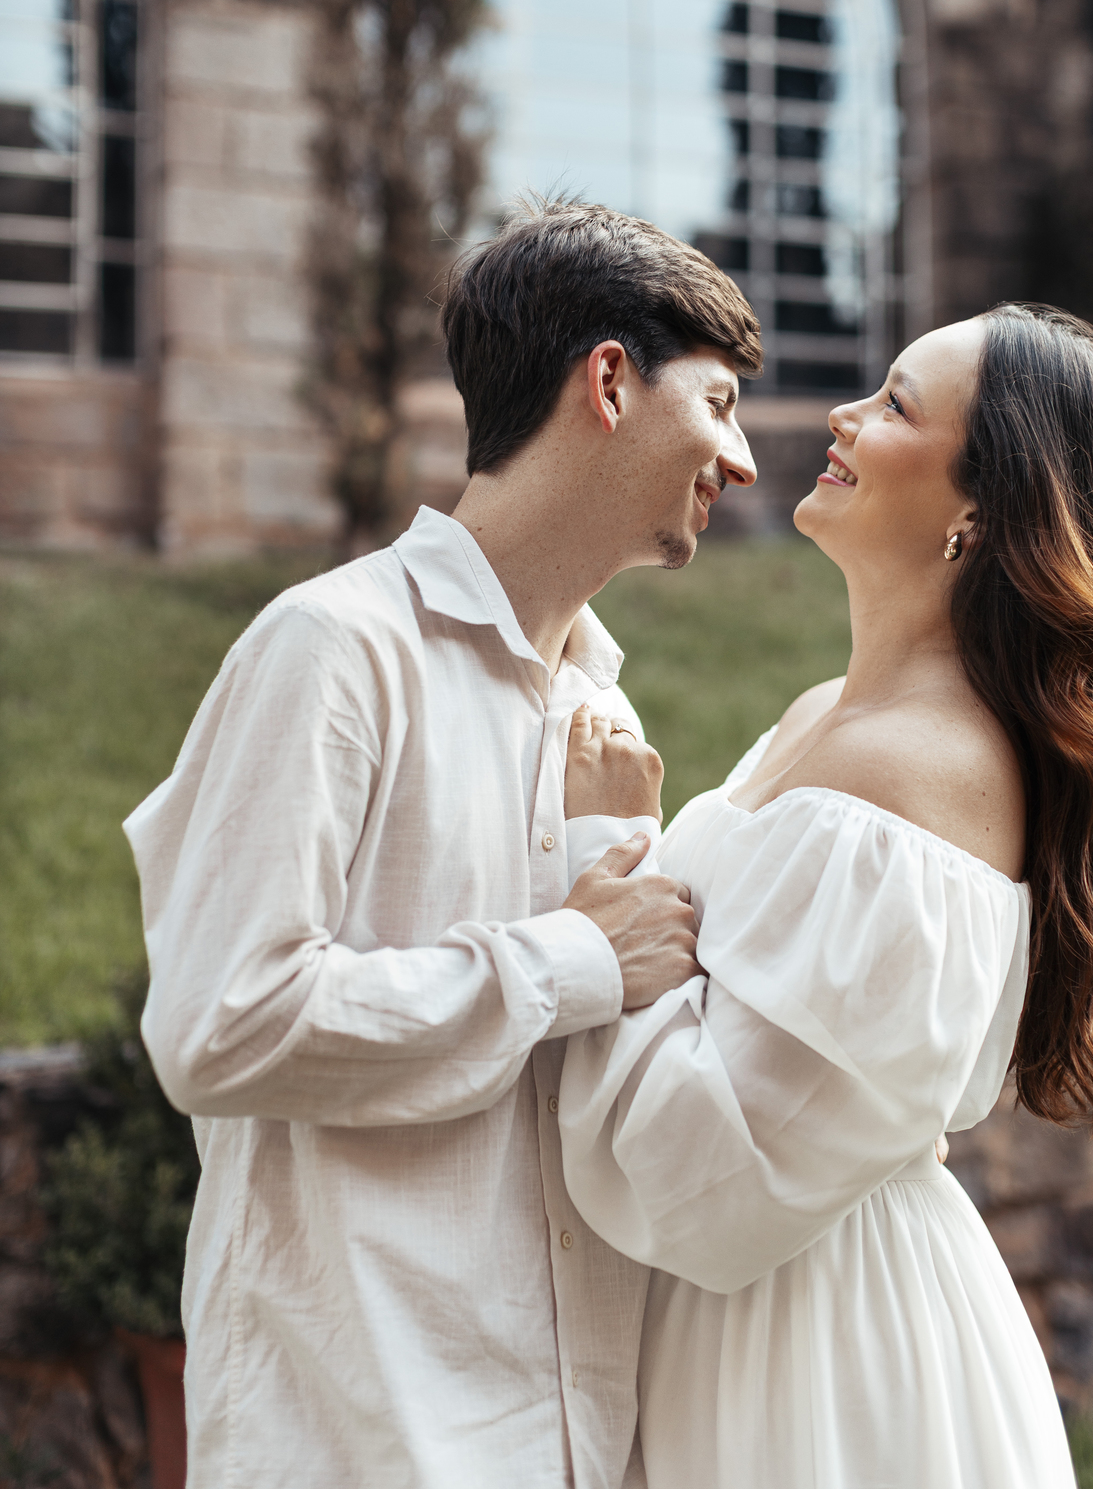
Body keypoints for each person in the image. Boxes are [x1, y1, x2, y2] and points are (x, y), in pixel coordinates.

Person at [125, 198, 762, 1489]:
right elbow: (221, 1021)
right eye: (720, 404)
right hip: (359, 1442)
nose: (741, 460)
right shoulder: (334, 652)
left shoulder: (607, 717)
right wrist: (571, 956)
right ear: (609, 381)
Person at [556, 304, 1093, 1489]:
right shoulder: (823, 715)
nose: (845, 419)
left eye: (898, 404)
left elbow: (707, 1191)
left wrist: (604, 848)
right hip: (727, 1329)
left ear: (982, 514)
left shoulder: (921, 776)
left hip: (813, 1363)